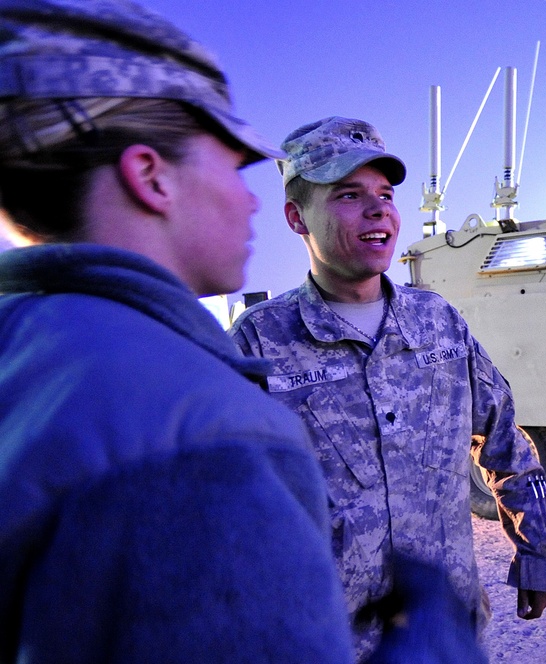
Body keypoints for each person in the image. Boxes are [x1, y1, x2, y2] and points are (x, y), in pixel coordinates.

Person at [0, 2, 358, 661]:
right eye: (234, 164)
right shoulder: (200, 428)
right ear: (150, 176)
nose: (252, 199)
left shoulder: (27, 354)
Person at [228, 116, 546, 658]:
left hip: (444, 636)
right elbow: (228, 503)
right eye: (348, 194)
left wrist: (539, 552)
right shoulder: (259, 341)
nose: (379, 210)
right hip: (325, 640)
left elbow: (507, 442)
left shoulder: (439, 323)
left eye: (385, 194)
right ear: (297, 217)